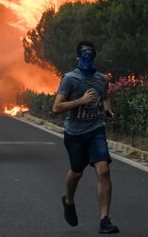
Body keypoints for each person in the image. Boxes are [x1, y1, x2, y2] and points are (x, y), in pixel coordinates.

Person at [52, 41, 120, 234]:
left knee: (104, 170)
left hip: (96, 130)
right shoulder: (69, 79)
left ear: (94, 56)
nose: (87, 59)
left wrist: (108, 111)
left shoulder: (102, 79)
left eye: (90, 55)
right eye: (84, 55)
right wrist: (81, 101)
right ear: (78, 57)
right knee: (77, 171)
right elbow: (56, 108)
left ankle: (104, 220)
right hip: (74, 133)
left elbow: (105, 96)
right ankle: (69, 200)